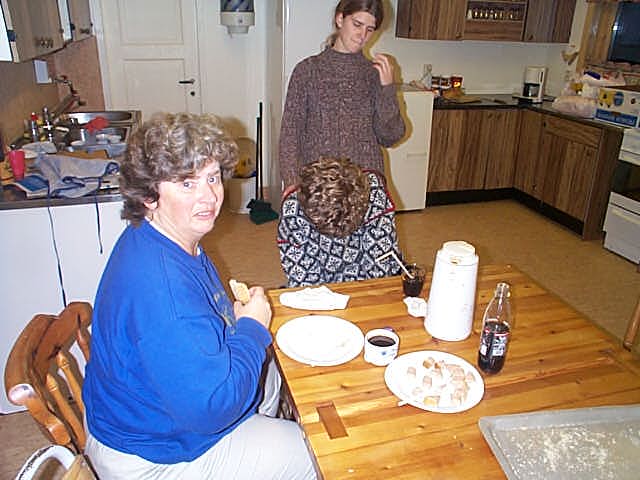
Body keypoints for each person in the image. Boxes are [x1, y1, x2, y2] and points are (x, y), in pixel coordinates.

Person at [82, 112, 316, 479]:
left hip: (153, 409)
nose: (210, 196)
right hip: (154, 453)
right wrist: (252, 329)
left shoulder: (162, 235)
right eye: (187, 183)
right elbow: (211, 409)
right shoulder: (163, 293)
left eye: (213, 177)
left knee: (272, 372)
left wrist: (245, 332)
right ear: (150, 195)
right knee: (313, 451)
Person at [279, 0, 406, 197]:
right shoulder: (308, 71)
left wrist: (387, 89)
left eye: (370, 29)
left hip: (365, 185)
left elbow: (390, 137)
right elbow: (290, 133)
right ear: (340, 19)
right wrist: (291, 180)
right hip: (319, 187)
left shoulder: (374, 74)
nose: (362, 35)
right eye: (357, 24)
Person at [278, 157, 402, 287]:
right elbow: (303, 280)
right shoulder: (292, 212)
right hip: (323, 280)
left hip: (366, 273)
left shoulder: (375, 195)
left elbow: (380, 266)